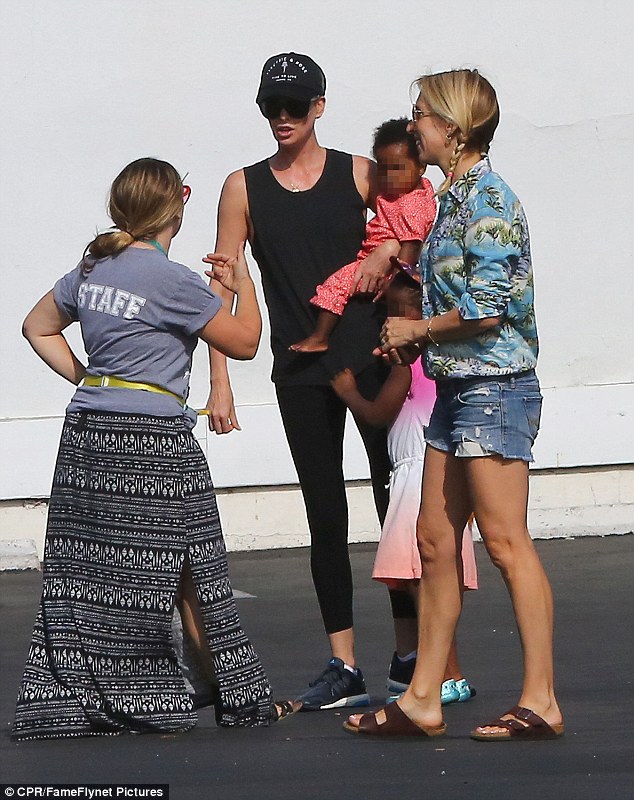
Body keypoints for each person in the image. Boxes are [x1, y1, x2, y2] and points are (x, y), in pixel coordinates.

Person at [13, 158, 298, 740]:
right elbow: (244, 344)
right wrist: (244, 285)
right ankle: (220, 696)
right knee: (190, 566)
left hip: (88, 436)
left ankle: (208, 688)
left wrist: (93, 380)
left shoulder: (93, 268)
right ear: (176, 208)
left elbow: (36, 326)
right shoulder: (172, 281)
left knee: (87, 572)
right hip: (154, 442)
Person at [345, 69, 564, 740]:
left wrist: (417, 328)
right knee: (435, 541)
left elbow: (490, 307)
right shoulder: (452, 198)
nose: (414, 126)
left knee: (503, 541)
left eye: (422, 116)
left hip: (495, 388)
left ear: (454, 129)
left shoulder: (490, 201)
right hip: (457, 386)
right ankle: (422, 698)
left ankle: (542, 700)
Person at [204, 52, 399, 710]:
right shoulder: (243, 187)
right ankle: (344, 663)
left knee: (393, 506)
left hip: (373, 361)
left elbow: (408, 248)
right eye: (271, 107)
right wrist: (220, 379)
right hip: (298, 371)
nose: (282, 118)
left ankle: (408, 652)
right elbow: (222, 289)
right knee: (325, 516)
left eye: (294, 105)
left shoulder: (361, 174)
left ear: (319, 105)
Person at [331, 271, 477, 706]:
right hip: (435, 472)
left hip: (416, 477)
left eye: (400, 313)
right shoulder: (441, 361)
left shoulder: (408, 363)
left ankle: (447, 673)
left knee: (425, 582)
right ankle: (446, 672)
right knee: (425, 579)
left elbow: (378, 415)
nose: (390, 323)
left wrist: (348, 392)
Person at [290, 117, 436, 353]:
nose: (389, 176)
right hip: (388, 264)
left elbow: (411, 245)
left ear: (421, 166)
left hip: (394, 269)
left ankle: (320, 336)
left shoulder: (412, 203)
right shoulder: (413, 192)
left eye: (398, 168)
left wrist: (397, 279)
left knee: (334, 286)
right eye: (384, 168)